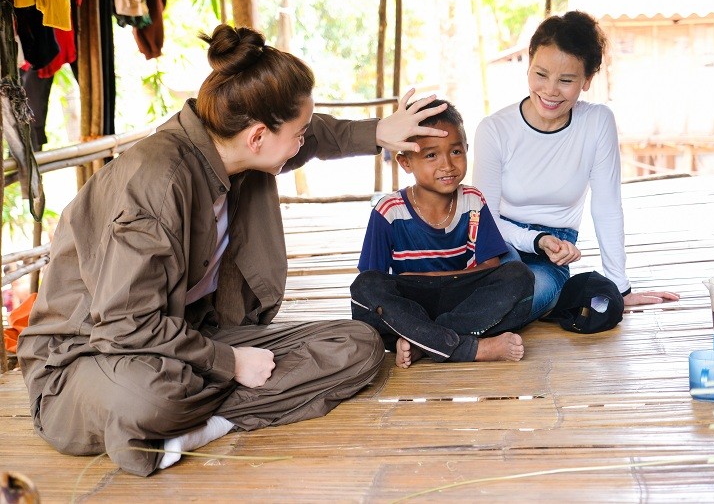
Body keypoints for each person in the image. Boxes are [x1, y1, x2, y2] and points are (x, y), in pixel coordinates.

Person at [16, 24, 450, 477]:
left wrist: (381, 130)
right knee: (152, 397)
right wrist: (231, 362)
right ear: (259, 136)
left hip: (188, 337)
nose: (303, 141)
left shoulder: (236, 149)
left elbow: (316, 134)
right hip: (91, 356)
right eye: (296, 133)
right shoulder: (156, 183)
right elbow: (127, 325)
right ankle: (179, 413)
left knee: (357, 345)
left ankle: (206, 426)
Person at [472, 10, 679, 324]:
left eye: (566, 80)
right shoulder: (495, 129)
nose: (551, 90)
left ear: (587, 81)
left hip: (551, 259)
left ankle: (436, 332)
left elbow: (607, 206)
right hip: (496, 245)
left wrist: (619, 289)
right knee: (495, 287)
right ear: (528, 64)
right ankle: (448, 332)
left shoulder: (596, 122)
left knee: (530, 295)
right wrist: (536, 239)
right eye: (540, 74)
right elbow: (484, 219)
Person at [350, 99, 535, 368]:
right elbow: (373, 278)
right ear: (405, 162)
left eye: (456, 151)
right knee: (365, 288)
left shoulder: (473, 201)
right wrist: (416, 282)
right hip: (411, 301)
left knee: (519, 275)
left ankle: (425, 343)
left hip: (462, 296)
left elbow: (490, 265)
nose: (447, 164)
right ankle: (470, 348)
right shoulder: (388, 211)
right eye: (431, 155)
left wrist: (436, 278)